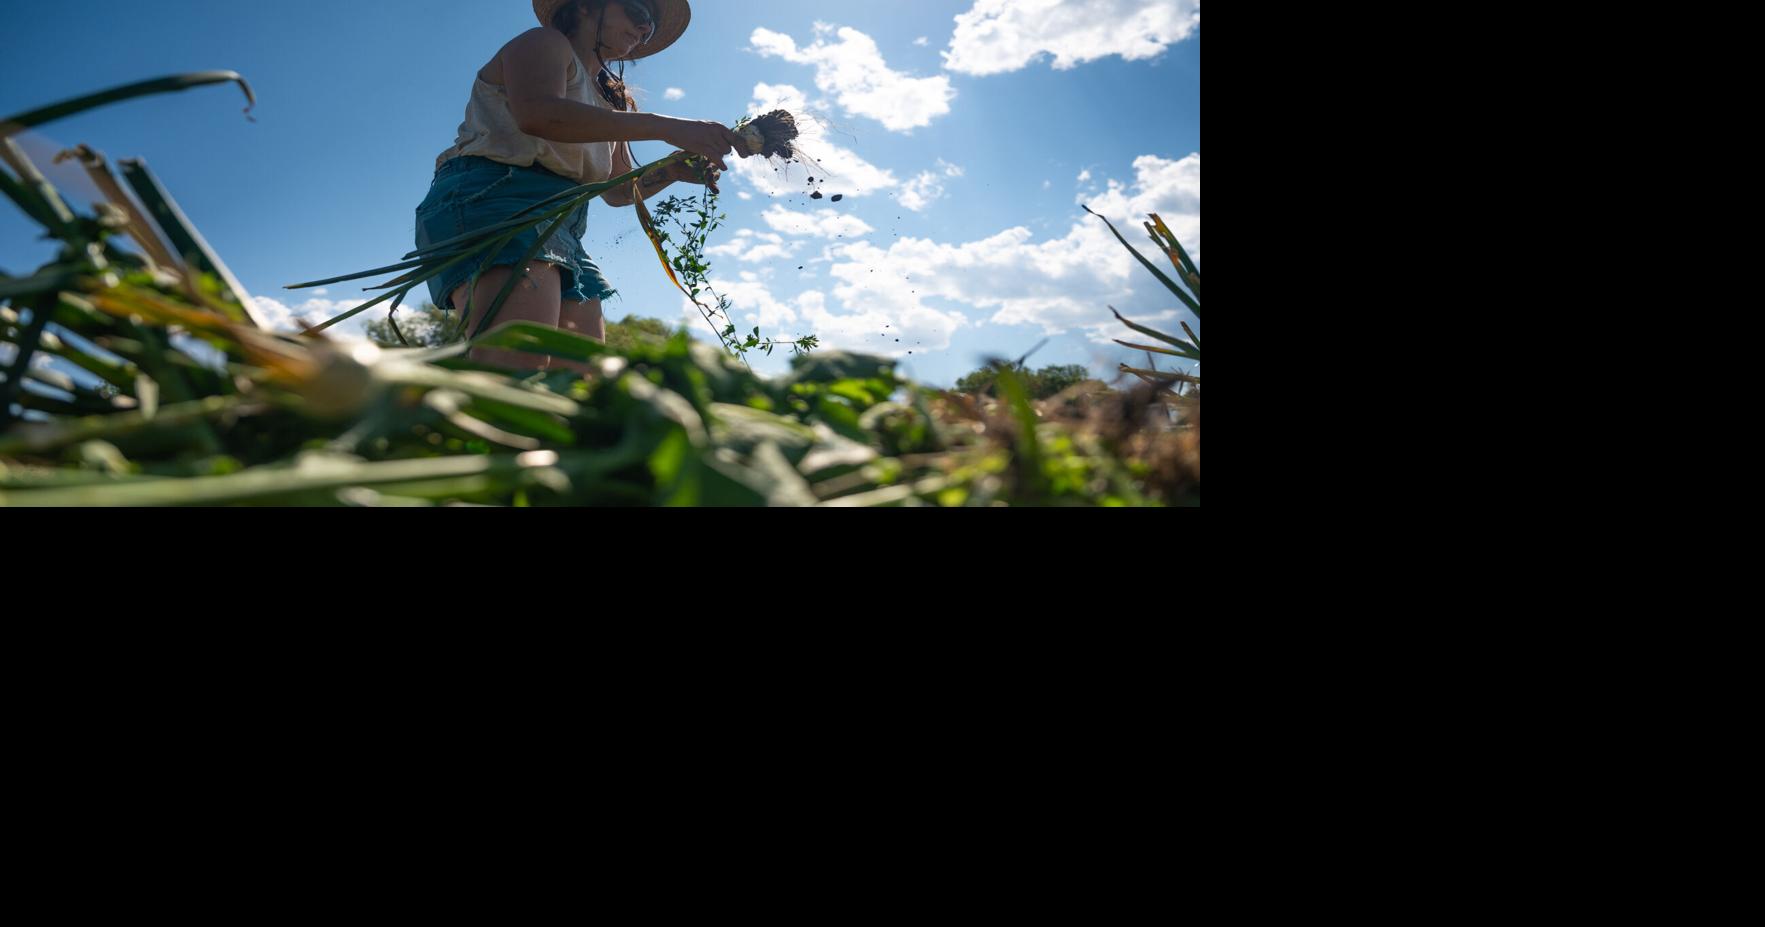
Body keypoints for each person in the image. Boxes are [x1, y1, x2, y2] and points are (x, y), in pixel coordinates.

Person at [415, 0, 750, 370]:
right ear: (588, 5)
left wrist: (670, 172)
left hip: (564, 224)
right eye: (639, 14)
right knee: (514, 368)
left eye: (650, 27)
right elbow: (540, 115)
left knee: (583, 380)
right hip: (496, 197)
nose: (644, 30)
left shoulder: (612, 102)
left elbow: (617, 191)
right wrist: (665, 126)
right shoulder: (544, 44)